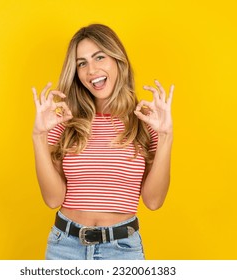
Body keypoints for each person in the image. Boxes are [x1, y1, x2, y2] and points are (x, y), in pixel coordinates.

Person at [32, 23, 174, 260]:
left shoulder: (146, 123)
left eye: (99, 57)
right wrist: (38, 137)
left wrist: (166, 136)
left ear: (118, 60)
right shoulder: (63, 121)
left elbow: (154, 201)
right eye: (82, 63)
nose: (91, 70)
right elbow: (52, 199)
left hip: (122, 250)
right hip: (64, 248)